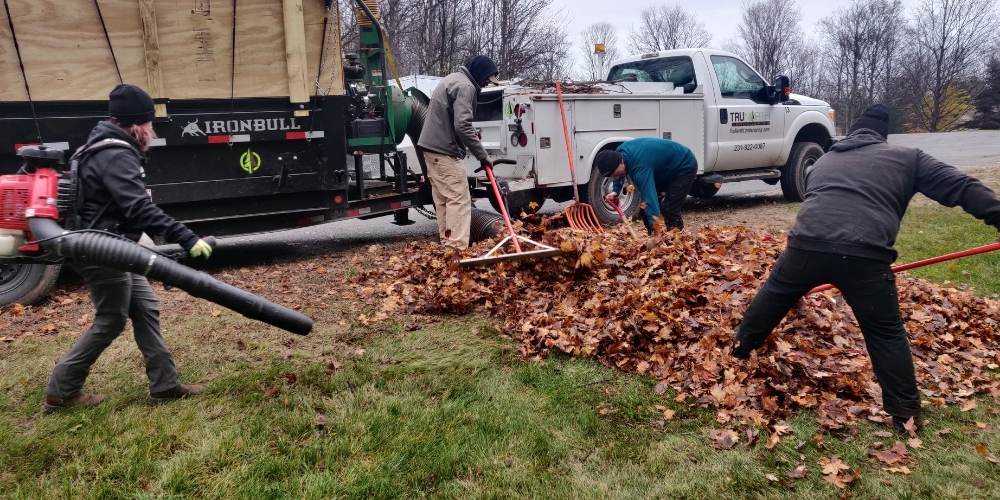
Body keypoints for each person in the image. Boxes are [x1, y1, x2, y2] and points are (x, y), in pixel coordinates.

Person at [732, 104, 1000, 433]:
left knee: (773, 296)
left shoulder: (826, 160)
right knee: (884, 332)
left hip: (805, 246)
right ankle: (905, 415)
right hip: (865, 256)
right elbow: (963, 188)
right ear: (881, 135)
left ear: (852, 133)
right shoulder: (908, 158)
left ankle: (738, 352)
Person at [44, 84, 215, 412]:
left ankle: (164, 385)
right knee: (110, 318)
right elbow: (138, 208)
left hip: (112, 245)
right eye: (150, 124)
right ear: (137, 124)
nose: (152, 131)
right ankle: (61, 391)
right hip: (100, 249)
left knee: (145, 306)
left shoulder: (102, 146)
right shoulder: (116, 153)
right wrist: (187, 238)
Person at [417, 55, 499, 249]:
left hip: (431, 150)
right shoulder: (466, 87)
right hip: (444, 151)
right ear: (479, 74)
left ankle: (448, 245)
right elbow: (462, 125)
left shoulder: (452, 78)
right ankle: (457, 249)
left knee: (444, 199)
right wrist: (483, 156)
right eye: (487, 79)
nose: (487, 84)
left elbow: (456, 122)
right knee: (459, 199)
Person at [596, 137, 698, 233]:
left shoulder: (640, 169)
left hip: (684, 164)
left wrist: (656, 232)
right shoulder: (618, 154)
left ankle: (677, 239)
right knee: (644, 209)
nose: (617, 176)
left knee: (669, 208)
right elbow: (618, 176)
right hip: (664, 168)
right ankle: (655, 236)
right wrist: (615, 191)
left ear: (621, 162)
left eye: (617, 173)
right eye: (613, 175)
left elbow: (650, 201)